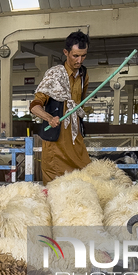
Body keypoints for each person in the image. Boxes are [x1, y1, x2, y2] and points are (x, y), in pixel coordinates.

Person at [30, 31, 91, 184]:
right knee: (55, 184)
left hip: (75, 138)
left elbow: (80, 103)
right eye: (75, 55)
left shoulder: (84, 74)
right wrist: (49, 118)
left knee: (85, 176)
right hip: (56, 140)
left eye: (83, 55)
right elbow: (34, 106)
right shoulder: (54, 75)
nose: (79, 60)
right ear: (66, 52)